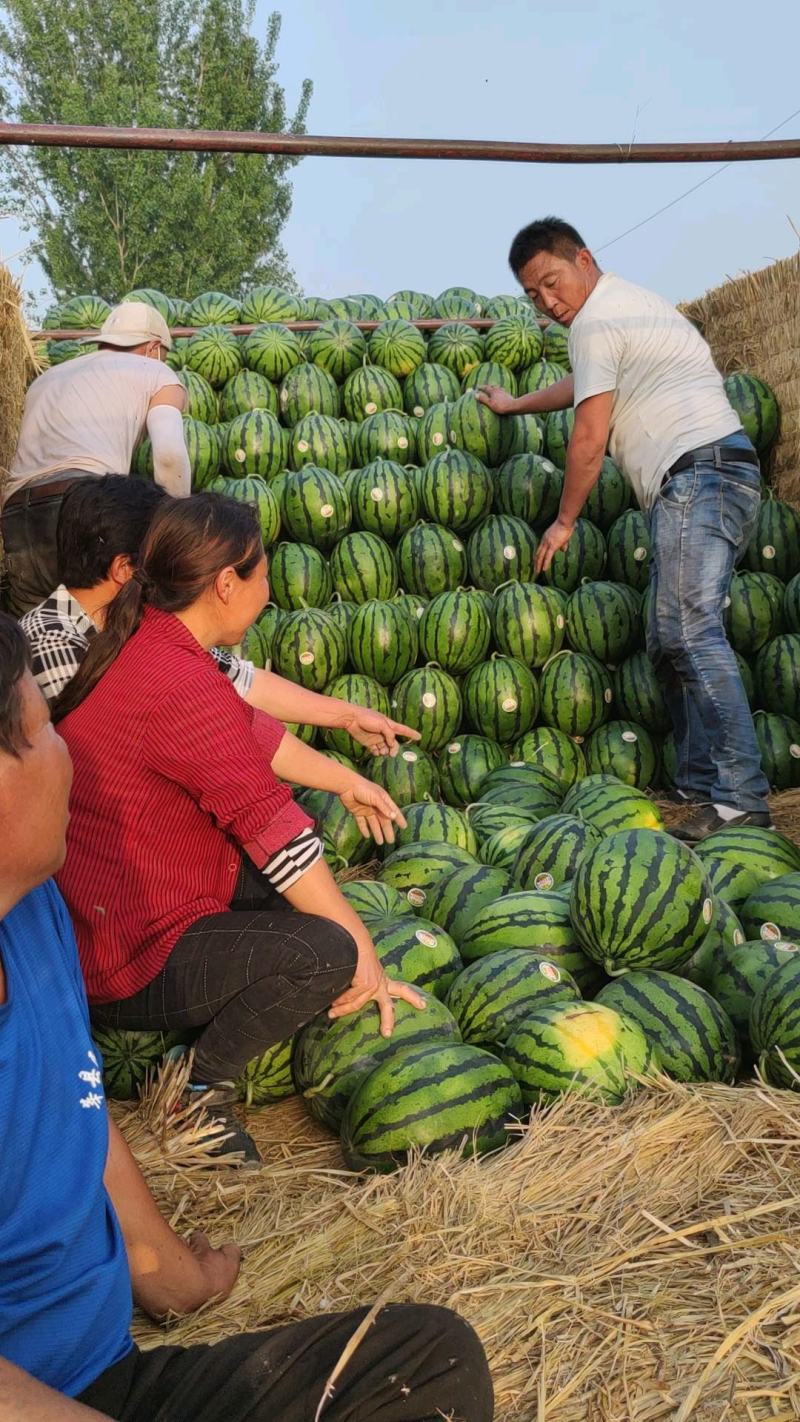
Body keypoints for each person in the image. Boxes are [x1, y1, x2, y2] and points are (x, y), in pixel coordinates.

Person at [0, 612, 495, 1421]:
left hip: (104, 1378)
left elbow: (76, 1108)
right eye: (46, 729)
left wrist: (175, 1279)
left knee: (430, 1360)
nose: (68, 752)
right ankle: (204, 1086)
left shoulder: (31, 912)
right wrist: (355, 949)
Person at [53, 492, 423, 1160]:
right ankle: (197, 1092)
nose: (270, 589)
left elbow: (251, 737)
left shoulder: (152, 639)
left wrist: (347, 779)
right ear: (228, 583)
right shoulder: (179, 679)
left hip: (109, 911)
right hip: (123, 953)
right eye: (264, 573)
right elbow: (274, 833)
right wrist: (363, 951)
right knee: (324, 953)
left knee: (298, 893)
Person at [478, 215, 771, 842]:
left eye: (552, 283)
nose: (549, 303)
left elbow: (590, 436)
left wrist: (563, 522)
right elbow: (583, 386)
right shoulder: (627, 311)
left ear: (583, 259)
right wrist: (515, 404)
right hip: (711, 476)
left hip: (700, 475)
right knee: (668, 640)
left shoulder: (599, 320)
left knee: (689, 632)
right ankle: (700, 788)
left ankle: (742, 796)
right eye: (534, 296)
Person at [22, 474, 419, 759]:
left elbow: (240, 681)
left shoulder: (138, 625)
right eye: (162, 555)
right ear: (125, 569)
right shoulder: (51, 644)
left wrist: (347, 716)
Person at [1, 301, 190, 616]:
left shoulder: (47, 378)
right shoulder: (156, 371)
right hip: (82, 505)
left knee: (32, 638)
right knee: (105, 632)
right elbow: (169, 456)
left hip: (17, 513)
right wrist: (177, 529)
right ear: (155, 348)